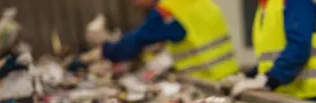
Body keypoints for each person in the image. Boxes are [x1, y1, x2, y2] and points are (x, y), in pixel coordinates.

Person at [70, 0, 239, 81]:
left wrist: (96, 53)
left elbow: (132, 44)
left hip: (206, 82)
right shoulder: (195, 3)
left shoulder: (169, 10)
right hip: (227, 78)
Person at [227, 0, 316, 100]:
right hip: (289, 94)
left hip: (311, 95)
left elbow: (299, 48)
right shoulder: (267, 5)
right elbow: (271, 57)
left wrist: (268, 79)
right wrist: (249, 76)